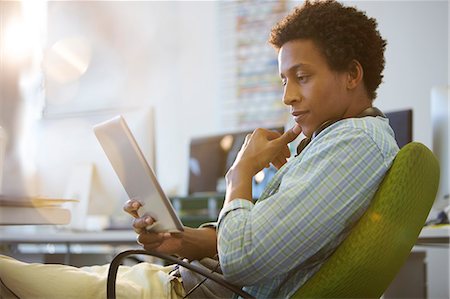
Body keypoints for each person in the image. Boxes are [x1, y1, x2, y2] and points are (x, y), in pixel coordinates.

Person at [0, 1, 399, 298]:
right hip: (181, 280)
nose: (288, 96)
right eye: (283, 81)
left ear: (352, 74)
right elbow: (265, 242)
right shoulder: (334, 141)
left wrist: (240, 174)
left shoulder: (355, 144)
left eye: (303, 77)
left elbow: (246, 258)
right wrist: (184, 241)